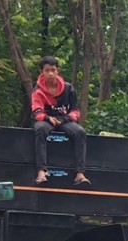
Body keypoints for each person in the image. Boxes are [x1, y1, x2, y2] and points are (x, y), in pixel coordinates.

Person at [31, 56, 90, 186]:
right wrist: (48, 118)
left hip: (64, 120)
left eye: (53, 70)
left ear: (58, 70)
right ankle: (41, 172)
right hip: (46, 121)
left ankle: (80, 174)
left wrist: (63, 119)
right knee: (39, 129)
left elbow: (75, 111)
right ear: (42, 72)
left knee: (80, 132)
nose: (50, 73)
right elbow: (37, 111)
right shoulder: (38, 90)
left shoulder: (68, 88)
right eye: (47, 70)